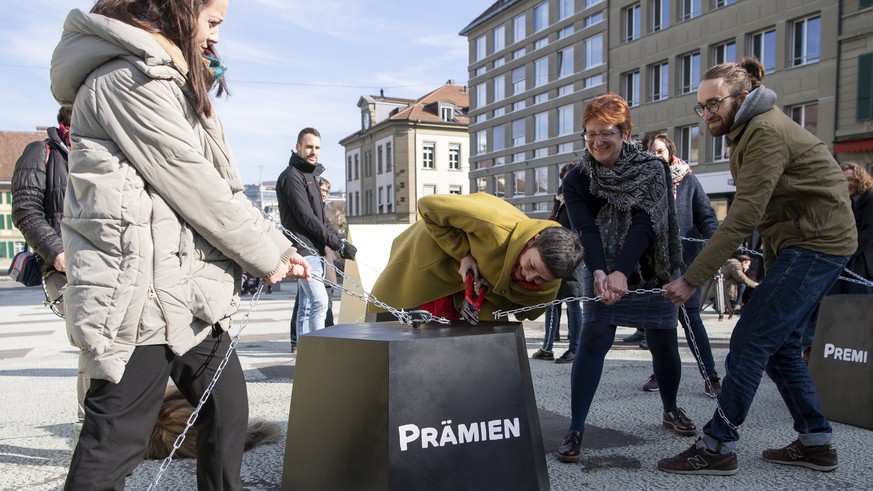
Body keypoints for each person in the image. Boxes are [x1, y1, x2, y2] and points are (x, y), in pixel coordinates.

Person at [50, 2, 311, 489]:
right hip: (136, 291)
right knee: (116, 438)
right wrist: (269, 254)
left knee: (227, 404)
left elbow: (219, 186)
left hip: (181, 289)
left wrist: (278, 246)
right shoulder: (129, 80)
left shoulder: (165, 82)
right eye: (211, 21)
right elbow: (197, 186)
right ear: (173, 12)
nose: (216, 37)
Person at [658, 58, 856, 476]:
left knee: (748, 341)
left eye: (714, 104)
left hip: (816, 245)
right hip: (807, 245)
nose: (707, 113)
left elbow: (745, 215)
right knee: (780, 346)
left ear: (742, 98)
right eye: (702, 106)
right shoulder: (747, 130)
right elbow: (773, 211)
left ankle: (717, 446)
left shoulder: (764, 131)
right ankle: (816, 443)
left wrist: (693, 278)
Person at [557, 93, 693, 464]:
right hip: (601, 266)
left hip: (651, 264)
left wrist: (623, 270)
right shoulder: (577, 178)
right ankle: (576, 426)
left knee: (663, 340)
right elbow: (585, 229)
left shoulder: (651, 169)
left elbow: (646, 223)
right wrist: (602, 271)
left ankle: (670, 408)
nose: (597, 142)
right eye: (589, 135)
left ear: (625, 132)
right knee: (594, 338)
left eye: (606, 134)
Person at [369, 192, 583, 322]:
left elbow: (525, 312)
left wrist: (490, 289)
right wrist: (464, 254)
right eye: (531, 265)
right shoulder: (492, 222)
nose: (528, 277)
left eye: (539, 279)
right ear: (532, 240)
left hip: (470, 297)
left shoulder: (549, 283)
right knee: (396, 328)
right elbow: (428, 207)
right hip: (432, 258)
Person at [10, 107, 86, 428]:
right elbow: (25, 209)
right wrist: (56, 252)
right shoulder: (42, 152)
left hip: (112, 263)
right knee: (94, 340)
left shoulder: (104, 148)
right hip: (65, 268)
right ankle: (93, 428)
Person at [636, 132, 722, 396]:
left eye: (660, 151)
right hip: (652, 267)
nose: (655, 156)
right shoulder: (640, 184)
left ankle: (711, 377)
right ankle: (661, 372)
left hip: (684, 265)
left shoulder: (687, 181)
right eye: (650, 152)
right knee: (656, 326)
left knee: (691, 321)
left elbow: (706, 215)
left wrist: (717, 241)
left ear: (669, 153)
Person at [277, 128, 356, 343]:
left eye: (317, 147)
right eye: (309, 146)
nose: (313, 151)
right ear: (298, 147)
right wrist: (336, 244)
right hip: (302, 249)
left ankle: (304, 353)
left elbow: (322, 219)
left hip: (314, 249)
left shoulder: (310, 176)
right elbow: (306, 217)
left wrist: (340, 241)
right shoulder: (292, 177)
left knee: (306, 304)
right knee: (319, 302)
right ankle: (315, 353)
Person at [800, 162, 873, 361]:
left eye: (851, 179)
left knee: (857, 310)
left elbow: (869, 233)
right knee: (828, 306)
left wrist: (845, 251)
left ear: (860, 180)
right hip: (837, 260)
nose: (847, 183)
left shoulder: (868, 198)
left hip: (858, 264)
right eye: (844, 179)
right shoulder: (838, 199)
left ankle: (856, 353)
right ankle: (816, 349)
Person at [531, 163, 583, 363]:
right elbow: (554, 222)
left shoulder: (580, 199)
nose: (567, 181)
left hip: (573, 257)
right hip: (556, 255)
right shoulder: (561, 198)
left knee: (573, 304)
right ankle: (547, 347)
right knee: (552, 303)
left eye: (570, 177)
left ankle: (575, 348)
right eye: (564, 178)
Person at [289, 177, 338, 351]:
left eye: (326, 191)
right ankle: (311, 347)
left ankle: (306, 344)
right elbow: (320, 229)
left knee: (313, 303)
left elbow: (328, 229)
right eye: (321, 190)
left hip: (322, 260)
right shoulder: (310, 208)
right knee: (316, 303)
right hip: (309, 256)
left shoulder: (323, 209)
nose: (323, 194)